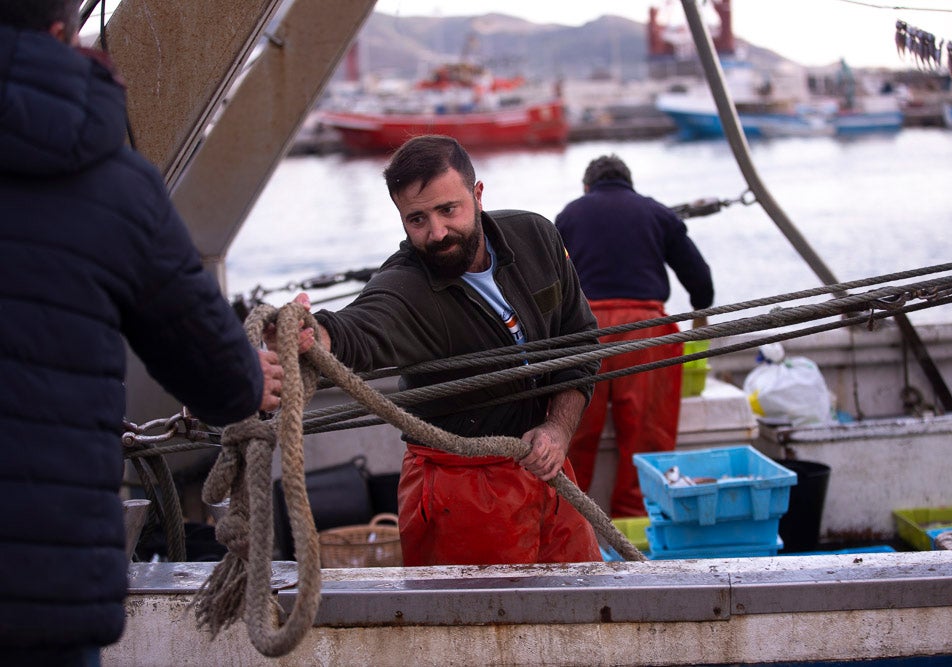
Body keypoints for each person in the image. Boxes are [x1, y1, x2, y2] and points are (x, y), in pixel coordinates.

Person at [0, 3, 285, 664]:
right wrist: (251, 376)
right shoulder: (110, 180)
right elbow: (218, 376)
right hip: (39, 589)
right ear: (63, 31)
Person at [282, 134, 602, 567]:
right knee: (478, 613)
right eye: (417, 219)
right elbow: (359, 328)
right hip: (458, 492)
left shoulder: (536, 237)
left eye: (448, 210)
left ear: (478, 194)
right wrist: (313, 336)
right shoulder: (405, 287)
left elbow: (579, 340)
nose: (436, 233)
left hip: (547, 470)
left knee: (582, 595)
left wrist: (557, 430)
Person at [554, 154, 714, 518]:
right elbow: (700, 279)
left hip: (585, 329)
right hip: (647, 333)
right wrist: (700, 313)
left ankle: (566, 520)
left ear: (587, 187)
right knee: (647, 435)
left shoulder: (569, 216)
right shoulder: (657, 213)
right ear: (629, 184)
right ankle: (637, 525)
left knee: (571, 433)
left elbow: (549, 281)